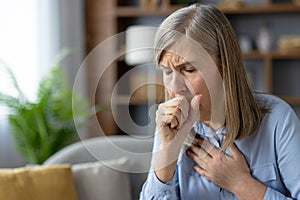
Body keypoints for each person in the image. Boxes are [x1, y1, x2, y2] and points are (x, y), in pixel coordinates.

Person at [140, 3, 300, 200]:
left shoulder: (278, 120)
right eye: (167, 71)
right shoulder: (169, 129)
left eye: (188, 70)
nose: (175, 87)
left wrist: (241, 184)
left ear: (224, 66)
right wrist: (167, 153)